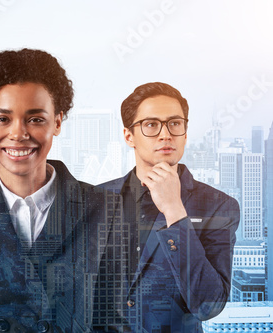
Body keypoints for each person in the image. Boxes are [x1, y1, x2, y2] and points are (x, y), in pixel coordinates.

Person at [0, 48, 108, 332]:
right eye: (2, 119)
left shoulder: (105, 208)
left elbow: (115, 319)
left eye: (35, 119)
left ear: (57, 122)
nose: (18, 133)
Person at [95, 82, 240, 332]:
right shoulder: (94, 199)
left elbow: (208, 305)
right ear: (129, 136)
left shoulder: (218, 206)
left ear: (185, 133)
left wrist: (174, 211)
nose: (166, 134)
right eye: (151, 125)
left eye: (174, 123)